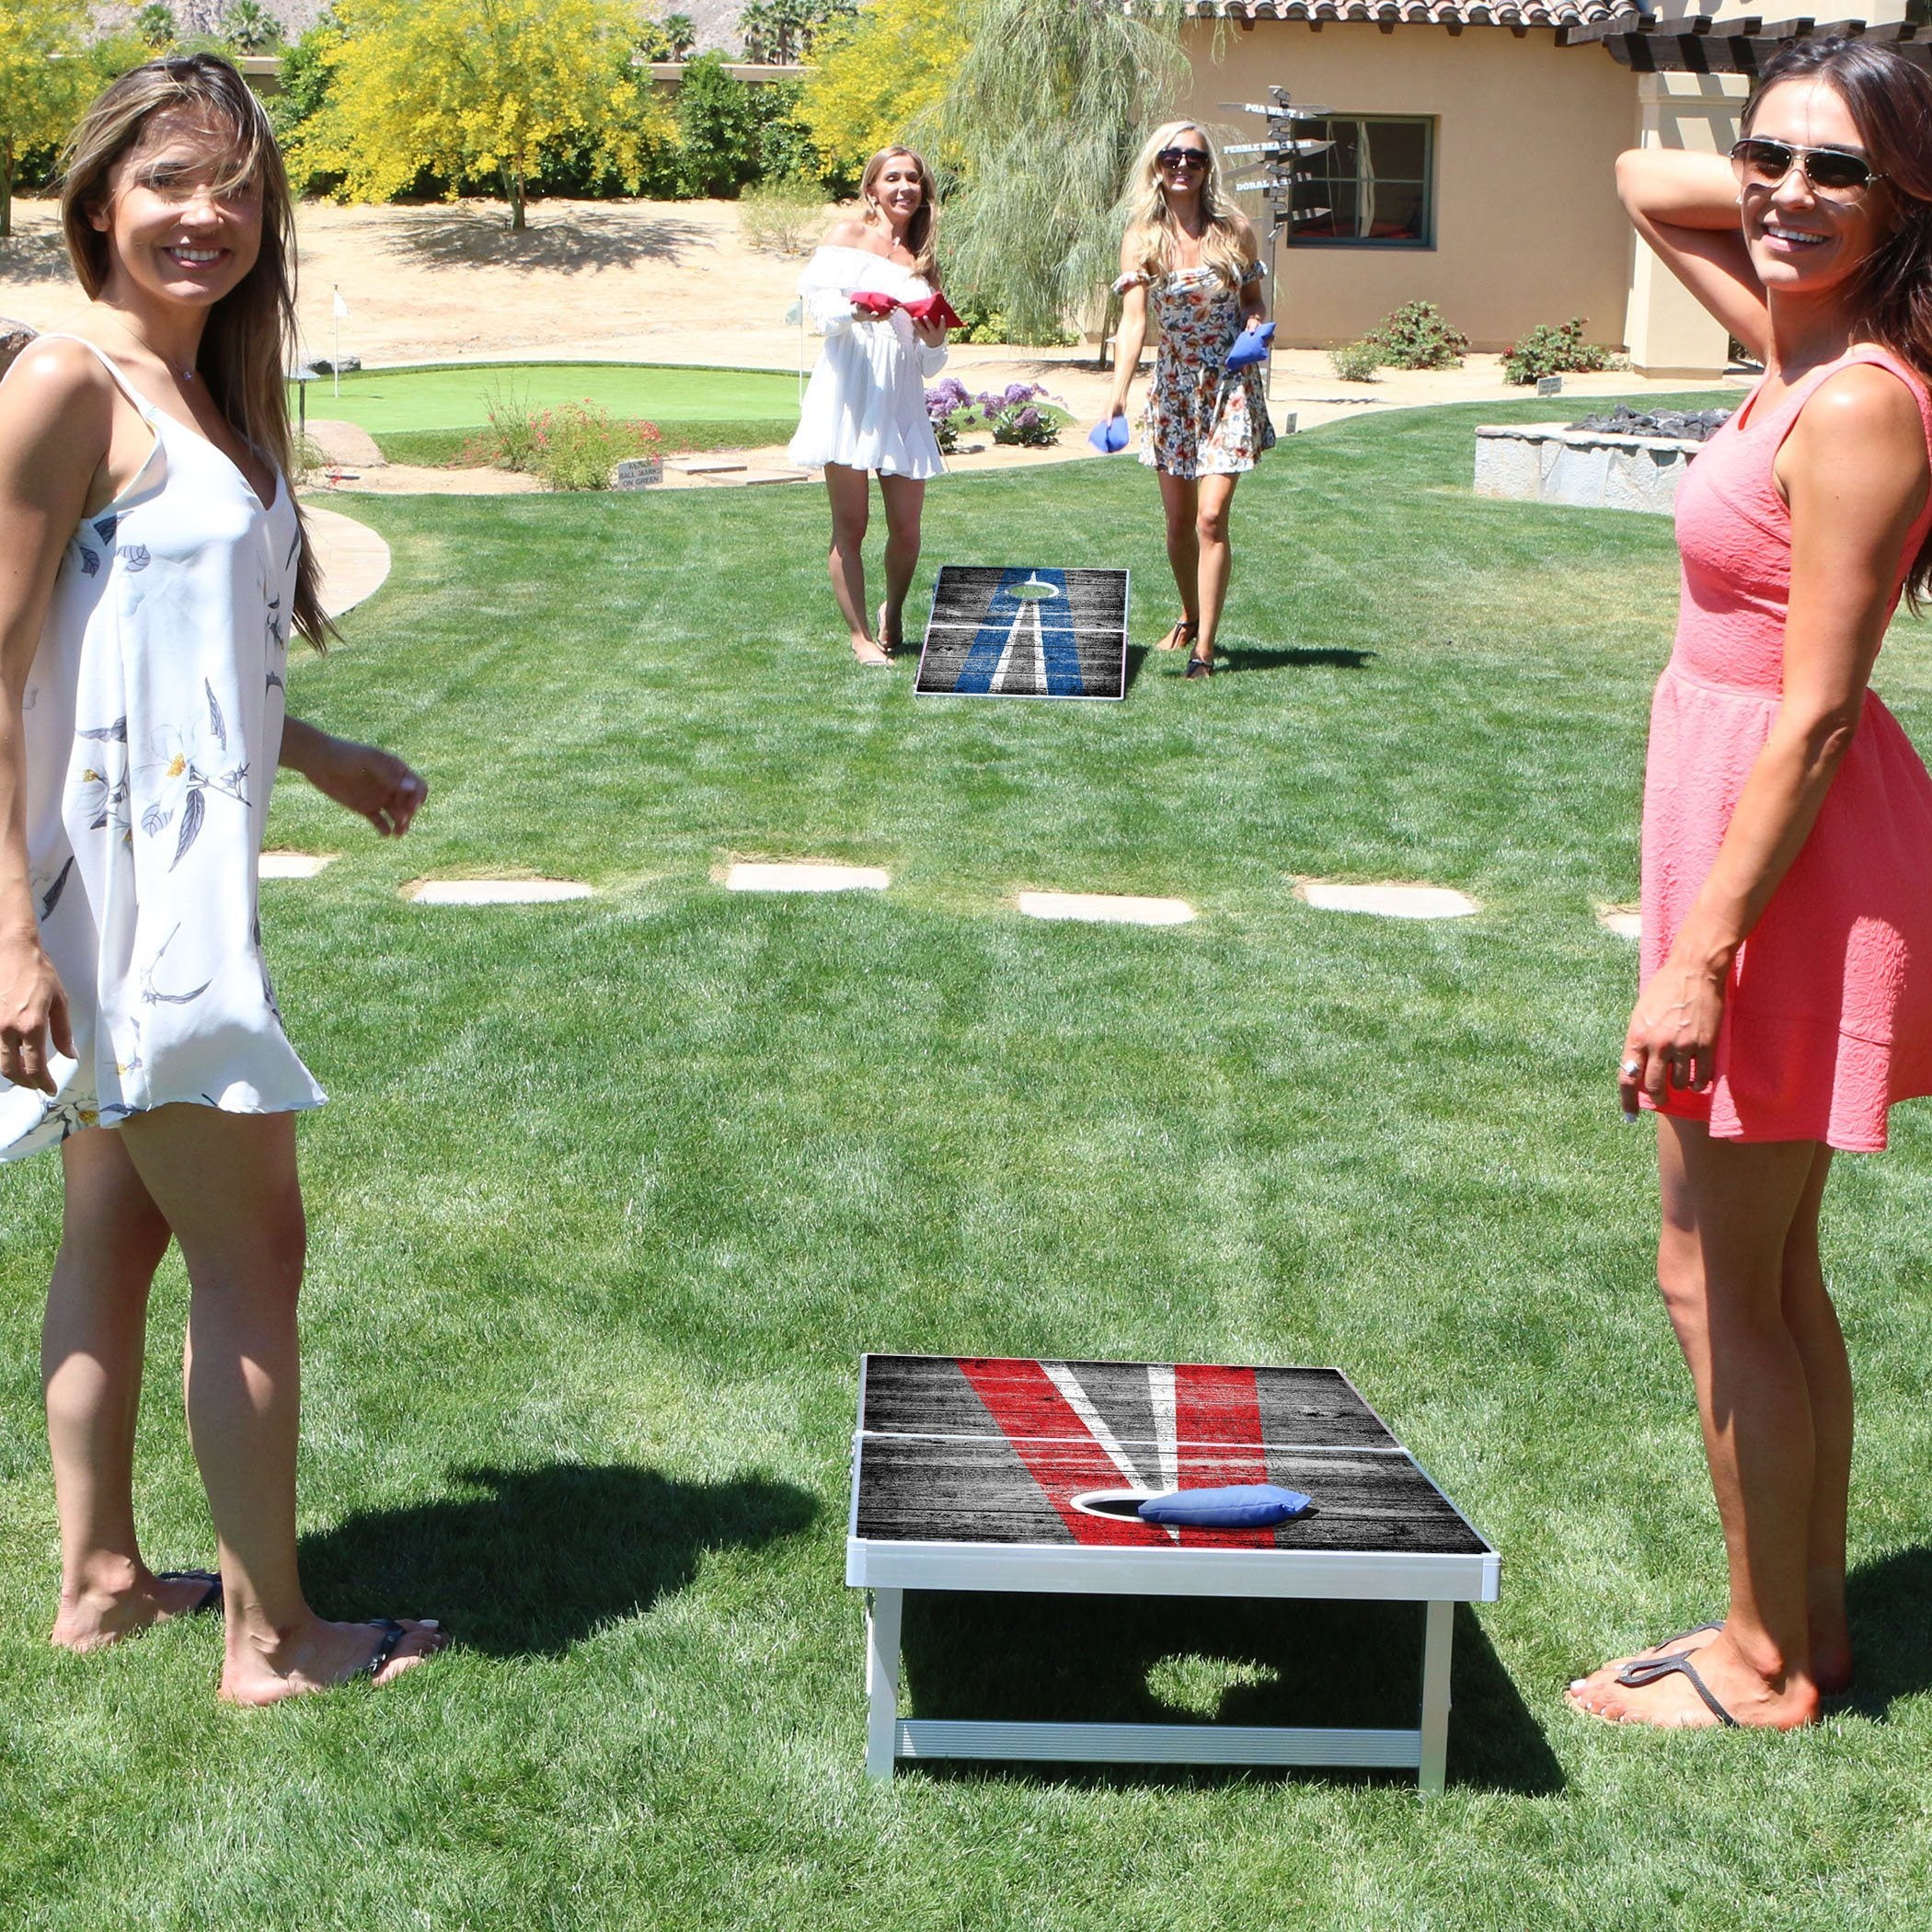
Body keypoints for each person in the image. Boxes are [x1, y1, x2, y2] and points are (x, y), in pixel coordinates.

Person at [0, 54, 445, 1700]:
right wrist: (8, 946)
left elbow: (161, 646)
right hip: (115, 919)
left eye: (237, 186)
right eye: (172, 181)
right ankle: (278, 1639)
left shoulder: (209, 395)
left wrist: (311, 747)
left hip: (157, 892)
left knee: (112, 1234)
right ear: (100, 200)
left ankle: (103, 1581)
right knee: (257, 1253)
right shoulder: (64, 381)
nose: (207, 215)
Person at [1568, 37, 1932, 1731]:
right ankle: (1804, 1632)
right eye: (1770, 158)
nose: (1782, 193)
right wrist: (1812, 193)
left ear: (1914, 196)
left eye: (1836, 172)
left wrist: (1696, 955)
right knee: (1763, 1274)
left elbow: (1821, 711)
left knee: (1715, 1274)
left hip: (1781, 854)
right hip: (1749, 832)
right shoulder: (1800, 342)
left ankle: (1762, 1659)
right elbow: (1650, 179)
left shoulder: (1857, 401)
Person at [1102, 122, 1274, 679]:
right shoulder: (1142, 237)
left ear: (1207, 168)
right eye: (1172, 157)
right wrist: (1117, 396)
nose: (1183, 166)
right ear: (1157, 165)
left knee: (1209, 517)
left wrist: (1255, 329)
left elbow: (1254, 300)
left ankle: (1204, 648)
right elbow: (1133, 325)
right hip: (1175, 387)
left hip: (1228, 385)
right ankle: (1190, 611)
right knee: (1177, 524)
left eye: (1194, 158)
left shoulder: (1236, 230)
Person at [788, 146, 950, 665]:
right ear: (872, 188)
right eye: (893, 178)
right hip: (851, 393)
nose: (905, 187)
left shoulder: (923, 257)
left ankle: (893, 611)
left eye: (914, 179)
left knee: (907, 529)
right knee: (851, 526)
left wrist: (933, 338)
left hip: (901, 397)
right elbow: (818, 311)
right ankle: (859, 638)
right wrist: (859, 310)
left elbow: (932, 362)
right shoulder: (847, 237)